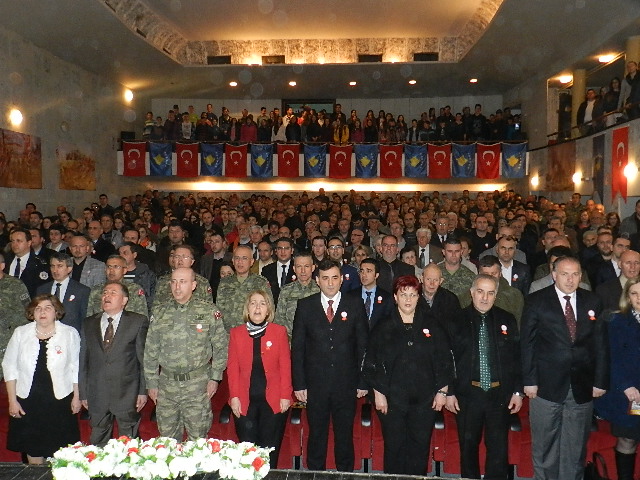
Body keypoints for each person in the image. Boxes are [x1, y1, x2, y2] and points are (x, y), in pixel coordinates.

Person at [521, 256, 609, 480]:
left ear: (581, 276)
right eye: (564, 274)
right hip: (545, 386)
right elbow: (527, 344)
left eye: (575, 274)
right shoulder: (536, 301)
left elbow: (600, 344)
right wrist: (529, 381)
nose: (570, 280)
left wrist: (600, 381)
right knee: (544, 448)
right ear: (553, 275)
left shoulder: (593, 301)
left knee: (575, 448)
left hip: (581, 386)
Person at [363, 275, 453, 474]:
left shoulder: (432, 324)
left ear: (419, 297)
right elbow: (371, 362)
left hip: (425, 400)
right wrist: (378, 393)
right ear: (395, 297)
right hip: (392, 401)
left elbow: (445, 360)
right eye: (403, 295)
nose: (408, 299)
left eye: (413, 294)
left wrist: (442, 391)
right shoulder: (383, 326)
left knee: (419, 449)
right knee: (394, 448)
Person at [291, 259, 369, 471]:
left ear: (342, 279)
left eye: (335, 277)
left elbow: (363, 345)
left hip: (347, 384)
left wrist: (363, 381)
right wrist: (299, 384)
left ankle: (346, 474)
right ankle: (315, 474)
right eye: (325, 278)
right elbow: (298, 348)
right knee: (316, 435)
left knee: (345, 436)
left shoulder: (354, 304)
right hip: (316, 386)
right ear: (317, 280)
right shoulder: (305, 306)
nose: (330, 283)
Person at [446, 274, 523, 480]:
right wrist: (449, 392)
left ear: (496, 295)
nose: (485, 298)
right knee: (468, 447)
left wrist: (517, 391)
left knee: (498, 449)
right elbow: (447, 359)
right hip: (467, 395)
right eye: (480, 291)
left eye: (490, 293)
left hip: (500, 395)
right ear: (471, 293)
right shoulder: (455, 320)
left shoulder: (507, 319)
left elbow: (517, 358)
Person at [144, 268, 229, 441]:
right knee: (167, 441)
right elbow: (151, 350)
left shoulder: (208, 312)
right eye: (174, 281)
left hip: (197, 385)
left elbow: (221, 347)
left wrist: (215, 378)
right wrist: (152, 382)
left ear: (194, 285)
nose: (177, 287)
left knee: (198, 441)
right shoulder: (160, 312)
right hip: (167, 385)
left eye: (182, 282)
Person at [2, 294, 81, 463]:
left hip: (60, 400)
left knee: (60, 452)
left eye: (47, 308)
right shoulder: (20, 333)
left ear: (56, 312)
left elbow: (76, 367)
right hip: (28, 400)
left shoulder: (69, 333)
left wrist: (77, 397)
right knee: (33, 449)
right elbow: (9, 367)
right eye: (38, 308)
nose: (42, 312)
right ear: (32, 313)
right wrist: (12, 401)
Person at [227, 290, 292, 468]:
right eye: (253, 303)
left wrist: (286, 395)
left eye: (262, 303)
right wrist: (234, 397)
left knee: (269, 452)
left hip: (273, 402)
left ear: (268, 309)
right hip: (244, 402)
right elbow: (232, 368)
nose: (257, 307)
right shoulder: (236, 333)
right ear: (247, 309)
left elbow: (286, 366)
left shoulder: (279, 332)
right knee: (248, 454)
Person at [79, 281, 149, 446]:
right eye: (104, 292)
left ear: (124, 300)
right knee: (97, 445)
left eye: (113, 293)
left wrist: (142, 391)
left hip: (127, 393)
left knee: (130, 446)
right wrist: (83, 392)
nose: (106, 296)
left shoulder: (137, 322)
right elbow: (83, 360)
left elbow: (143, 359)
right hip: (97, 393)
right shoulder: (88, 323)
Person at [595, 278, 640, 480]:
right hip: (629, 392)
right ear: (627, 297)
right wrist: (626, 386)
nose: (639, 298)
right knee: (628, 439)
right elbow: (611, 357)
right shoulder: (617, 321)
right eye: (634, 293)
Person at [36, 252, 90, 333]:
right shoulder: (42, 290)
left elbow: (84, 319)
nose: (55, 270)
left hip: (70, 337)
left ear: (69, 268)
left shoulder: (81, 290)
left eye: (59, 266)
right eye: (52, 266)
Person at [274, 252, 319, 339]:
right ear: (294, 269)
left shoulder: (320, 290)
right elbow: (279, 321)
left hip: (315, 342)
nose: (303, 271)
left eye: (306, 266)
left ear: (313, 268)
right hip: (291, 341)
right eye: (299, 267)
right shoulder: (286, 291)